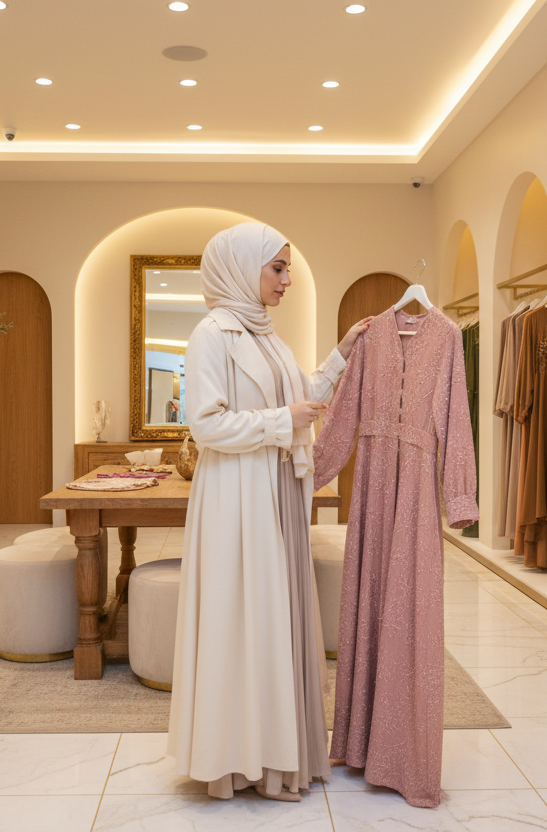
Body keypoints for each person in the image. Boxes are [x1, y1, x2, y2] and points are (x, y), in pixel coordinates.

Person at [166, 222, 372, 801]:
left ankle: (279, 754)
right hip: (236, 495)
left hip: (276, 487)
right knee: (244, 614)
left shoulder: (267, 335)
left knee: (274, 612)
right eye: (277, 267)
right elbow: (205, 424)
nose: (287, 278)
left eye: (287, 268)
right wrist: (283, 423)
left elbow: (300, 390)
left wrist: (343, 352)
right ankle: (238, 759)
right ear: (241, 267)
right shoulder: (212, 333)